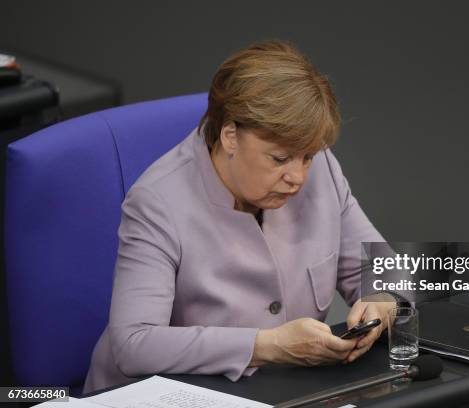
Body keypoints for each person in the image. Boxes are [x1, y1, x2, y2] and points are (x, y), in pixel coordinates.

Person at [83, 40, 397, 393]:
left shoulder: (318, 164)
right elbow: (134, 344)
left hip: (278, 390)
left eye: (307, 157)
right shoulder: (157, 203)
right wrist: (266, 346)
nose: (297, 177)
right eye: (279, 159)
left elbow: (382, 270)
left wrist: (381, 301)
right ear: (230, 135)